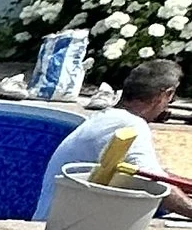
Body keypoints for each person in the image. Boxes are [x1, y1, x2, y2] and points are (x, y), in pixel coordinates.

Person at [32, 57, 192, 221]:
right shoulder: (130, 125)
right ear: (166, 94)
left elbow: (150, 172)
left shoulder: (105, 118)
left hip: (55, 220)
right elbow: (154, 183)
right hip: (67, 227)